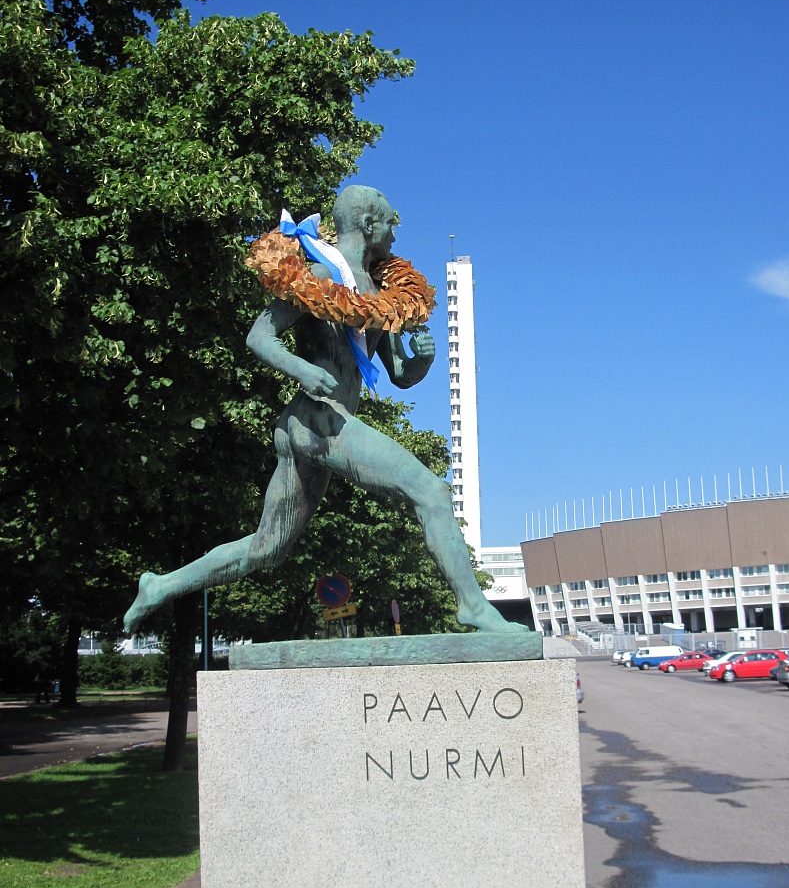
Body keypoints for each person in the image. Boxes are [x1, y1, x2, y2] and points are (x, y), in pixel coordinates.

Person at [124, 185, 523, 635]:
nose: (395, 235)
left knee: (265, 549)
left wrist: (422, 361)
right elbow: (259, 336)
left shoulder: (381, 293)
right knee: (430, 492)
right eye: (390, 223)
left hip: (322, 426)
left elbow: (399, 374)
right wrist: (302, 370)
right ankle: (472, 605)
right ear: (368, 224)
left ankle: (159, 586)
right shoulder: (319, 273)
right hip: (317, 418)